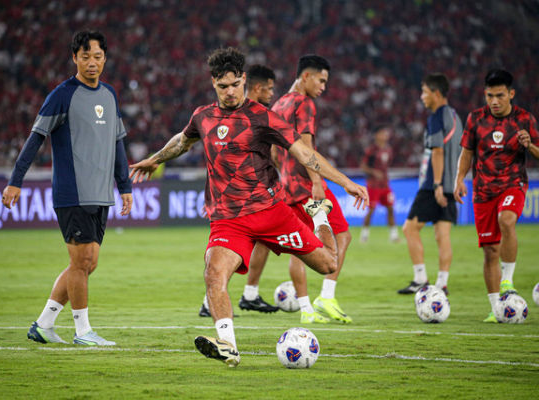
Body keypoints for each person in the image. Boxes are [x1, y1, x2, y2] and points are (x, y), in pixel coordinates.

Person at [129, 47, 368, 367]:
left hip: (272, 213)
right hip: (228, 220)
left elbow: (305, 154)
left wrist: (344, 182)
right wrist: (154, 160)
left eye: (234, 85)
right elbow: (182, 141)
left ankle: (320, 216)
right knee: (214, 273)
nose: (229, 92)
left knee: (327, 264)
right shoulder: (202, 116)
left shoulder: (263, 117)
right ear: (213, 83)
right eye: (222, 86)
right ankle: (228, 344)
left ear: (243, 80)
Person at [2, 31, 133, 346]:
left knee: (88, 263)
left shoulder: (110, 95)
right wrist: (16, 180)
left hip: (101, 194)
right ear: (74, 58)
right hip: (72, 193)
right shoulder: (62, 95)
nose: (92, 62)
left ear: (105, 59)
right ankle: (83, 331)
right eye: (85, 56)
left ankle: (44, 325)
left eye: (97, 56)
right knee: (80, 263)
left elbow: (118, 144)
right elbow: (36, 137)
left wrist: (124, 185)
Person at [270, 55, 353, 324]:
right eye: (321, 80)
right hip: (308, 186)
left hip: (287, 188)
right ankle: (326, 297)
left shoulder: (279, 103)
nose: (323, 87)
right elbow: (306, 149)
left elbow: (273, 151)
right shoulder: (304, 104)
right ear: (306, 76)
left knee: (301, 247)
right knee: (343, 235)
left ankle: (306, 311)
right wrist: (317, 182)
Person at [454, 69, 539, 322]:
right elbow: (467, 152)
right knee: (490, 250)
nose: (494, 101)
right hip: (482, 192)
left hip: (512, 184)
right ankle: (496, 309)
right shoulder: (475, 119)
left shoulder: (524, 118)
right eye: (490, 95)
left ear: (511, 94)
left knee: (507, 219)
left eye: (500, 95)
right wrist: (459, 179)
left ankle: (507, 281)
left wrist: (530, 145)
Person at [198, 64, 279, 318]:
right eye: (269, 89)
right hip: (247, 200)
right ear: (256, 86)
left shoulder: (255, 114)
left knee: (256, 243)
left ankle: (247, 295)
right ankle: (237, 296)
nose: (272, 94)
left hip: (254, 195)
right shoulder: (251, 118)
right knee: (236, 249)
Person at [398, 73, 463, 295]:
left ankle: (420, 279)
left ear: (436, 93)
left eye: (425, 91)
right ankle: (442, 283)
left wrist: (436, 184)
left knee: (409, 229)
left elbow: (437, 151)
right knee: (442, 234)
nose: (422, 96)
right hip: (451, 183)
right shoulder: (455, 116)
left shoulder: (436, 116)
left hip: (433, 184)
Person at [359, 126, 399, 243]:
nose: (385, 136)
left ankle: (394, 236)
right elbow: (363, 166)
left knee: (391, 208)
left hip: (385, 185)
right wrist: (373, 172)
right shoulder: (371, 150)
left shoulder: (389, 150)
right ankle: (364, 235)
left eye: (386, 134)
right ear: (376, 135)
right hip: (373, 185)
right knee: (371, 210)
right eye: (382, 133)